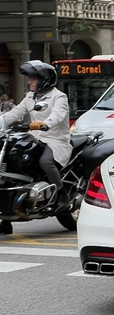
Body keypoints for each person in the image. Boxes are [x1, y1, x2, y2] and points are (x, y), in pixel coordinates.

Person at [0, 60, 71, 235]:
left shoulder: (59, 97)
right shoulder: (30, 97)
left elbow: (58, 116)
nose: (29, 82)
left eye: (33, 78)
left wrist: (44, 124)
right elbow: (14, 114)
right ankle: (6, 219)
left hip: (55, 139)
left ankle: (62, 194)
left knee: (45, 162)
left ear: (44, 79)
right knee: (11, 162)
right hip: (35, 138)